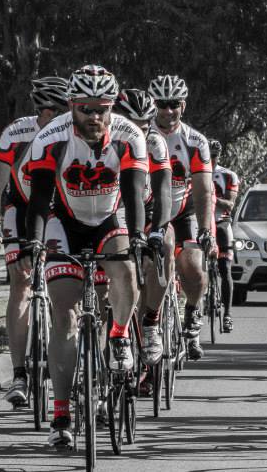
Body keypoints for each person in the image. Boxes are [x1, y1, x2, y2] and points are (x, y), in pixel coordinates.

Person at [21, 65, 149, 448]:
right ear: (71, 105)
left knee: (125, 269)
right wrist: (34, 243)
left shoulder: (129, 135)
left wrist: (139, 238)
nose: (94, 117)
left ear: (112, 108)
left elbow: (134, 193)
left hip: (110, 217)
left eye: (102, 109)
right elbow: (39, 198)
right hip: (65, 219)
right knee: (63, 311)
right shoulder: (51, 137)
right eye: (85, 109)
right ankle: (61, 415)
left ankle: (119, 336)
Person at [0, 76, 66, 407]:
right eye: (49, 111)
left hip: (60, 211)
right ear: (40, 111)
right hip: (20, 208)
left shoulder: (74, 133)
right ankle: (19, 374)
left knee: (66, 285)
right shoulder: (17, 133)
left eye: (60, 111)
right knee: (20, 283)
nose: (54, 117)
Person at [146, 75, 214, 361]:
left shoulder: (195, 141)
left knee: (193, 266)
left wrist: (206, 230)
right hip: (148, 209)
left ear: (183, 106)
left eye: (173, 104)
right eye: (161, 104)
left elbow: (203, 190)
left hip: (183, 210)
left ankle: (192, 312)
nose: (167, 110)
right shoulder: (141, 134)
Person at [113, 89, 173, 377]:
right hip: (112, 210)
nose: (138, 132)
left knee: (166, 247)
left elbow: (164, 193)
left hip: (147, 209)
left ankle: (150, 320)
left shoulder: (155, 143)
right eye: (131, 124)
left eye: (144, 125)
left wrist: (158, 233)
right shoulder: (102, 139)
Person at [209, 139, 239, 332]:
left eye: (214, 156)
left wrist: (210, 197)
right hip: (200, 224)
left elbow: (230, 204)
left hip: (221, 223)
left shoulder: (228, 175)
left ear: (219, 156)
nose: (211, 159)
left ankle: (227, 315)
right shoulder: (191, 174)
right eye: (207, 156)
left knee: (225, 268)